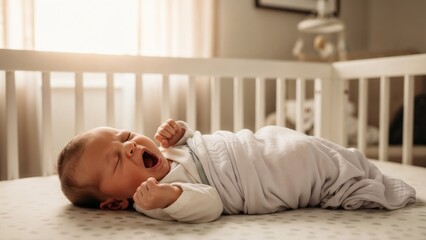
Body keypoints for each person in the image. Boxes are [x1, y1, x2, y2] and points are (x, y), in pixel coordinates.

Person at [58, 119, 416, 223]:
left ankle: (355, 166)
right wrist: (169, 196)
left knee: (304, 145)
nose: (131, 146)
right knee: (310, 162)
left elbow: (202, 143)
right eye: (118, 159)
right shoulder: (154, 200)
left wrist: (182, 132)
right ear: (115, 204)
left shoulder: (166, 151)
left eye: (124, 137)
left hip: (256, 144)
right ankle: (357, 181)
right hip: (262, 175)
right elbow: (210, 202)